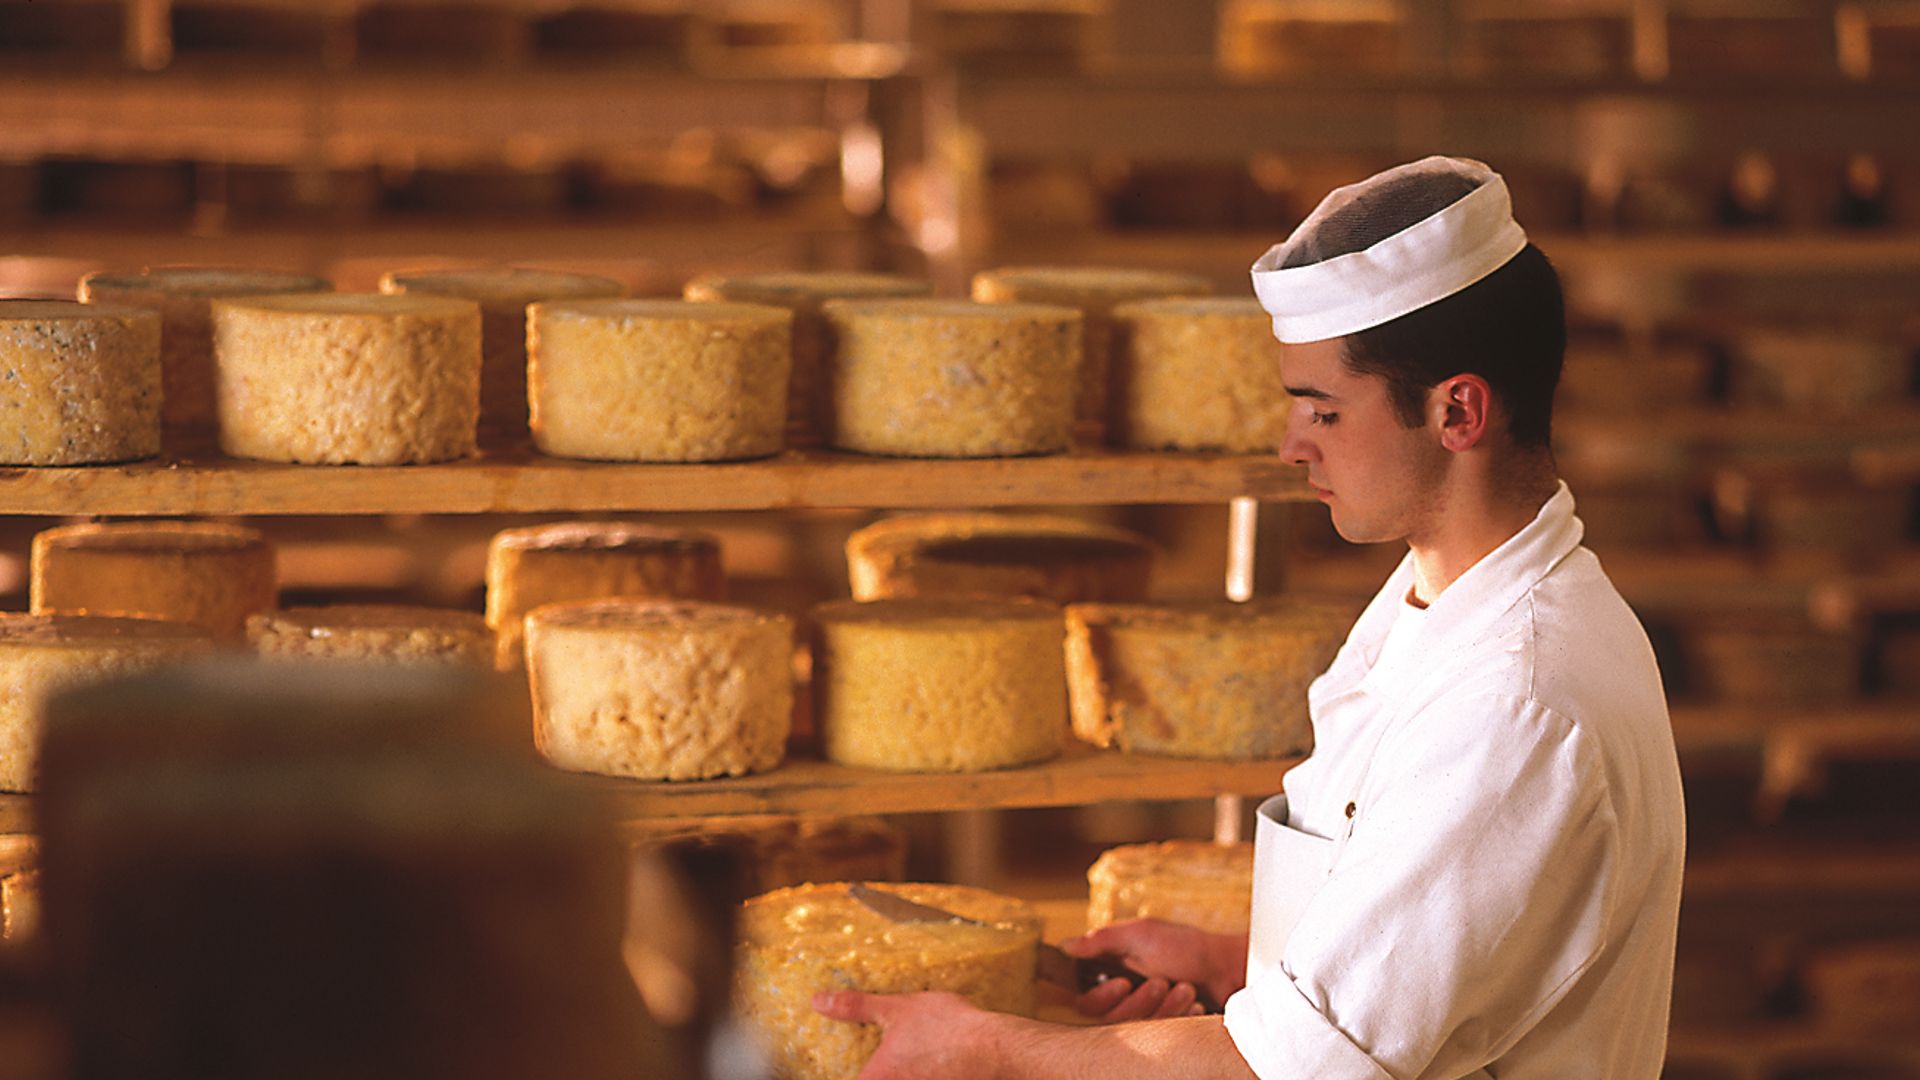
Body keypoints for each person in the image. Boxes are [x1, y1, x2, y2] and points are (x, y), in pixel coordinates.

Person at [812, 157, 1687, 1079]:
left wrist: (988, 1047)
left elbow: (1289, 1071)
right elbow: (1443, 946)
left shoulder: (1515, 702)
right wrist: (1241, 964)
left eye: (1323, 412)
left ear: (1456, 411)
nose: (1290, 445)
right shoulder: (1449, 599)